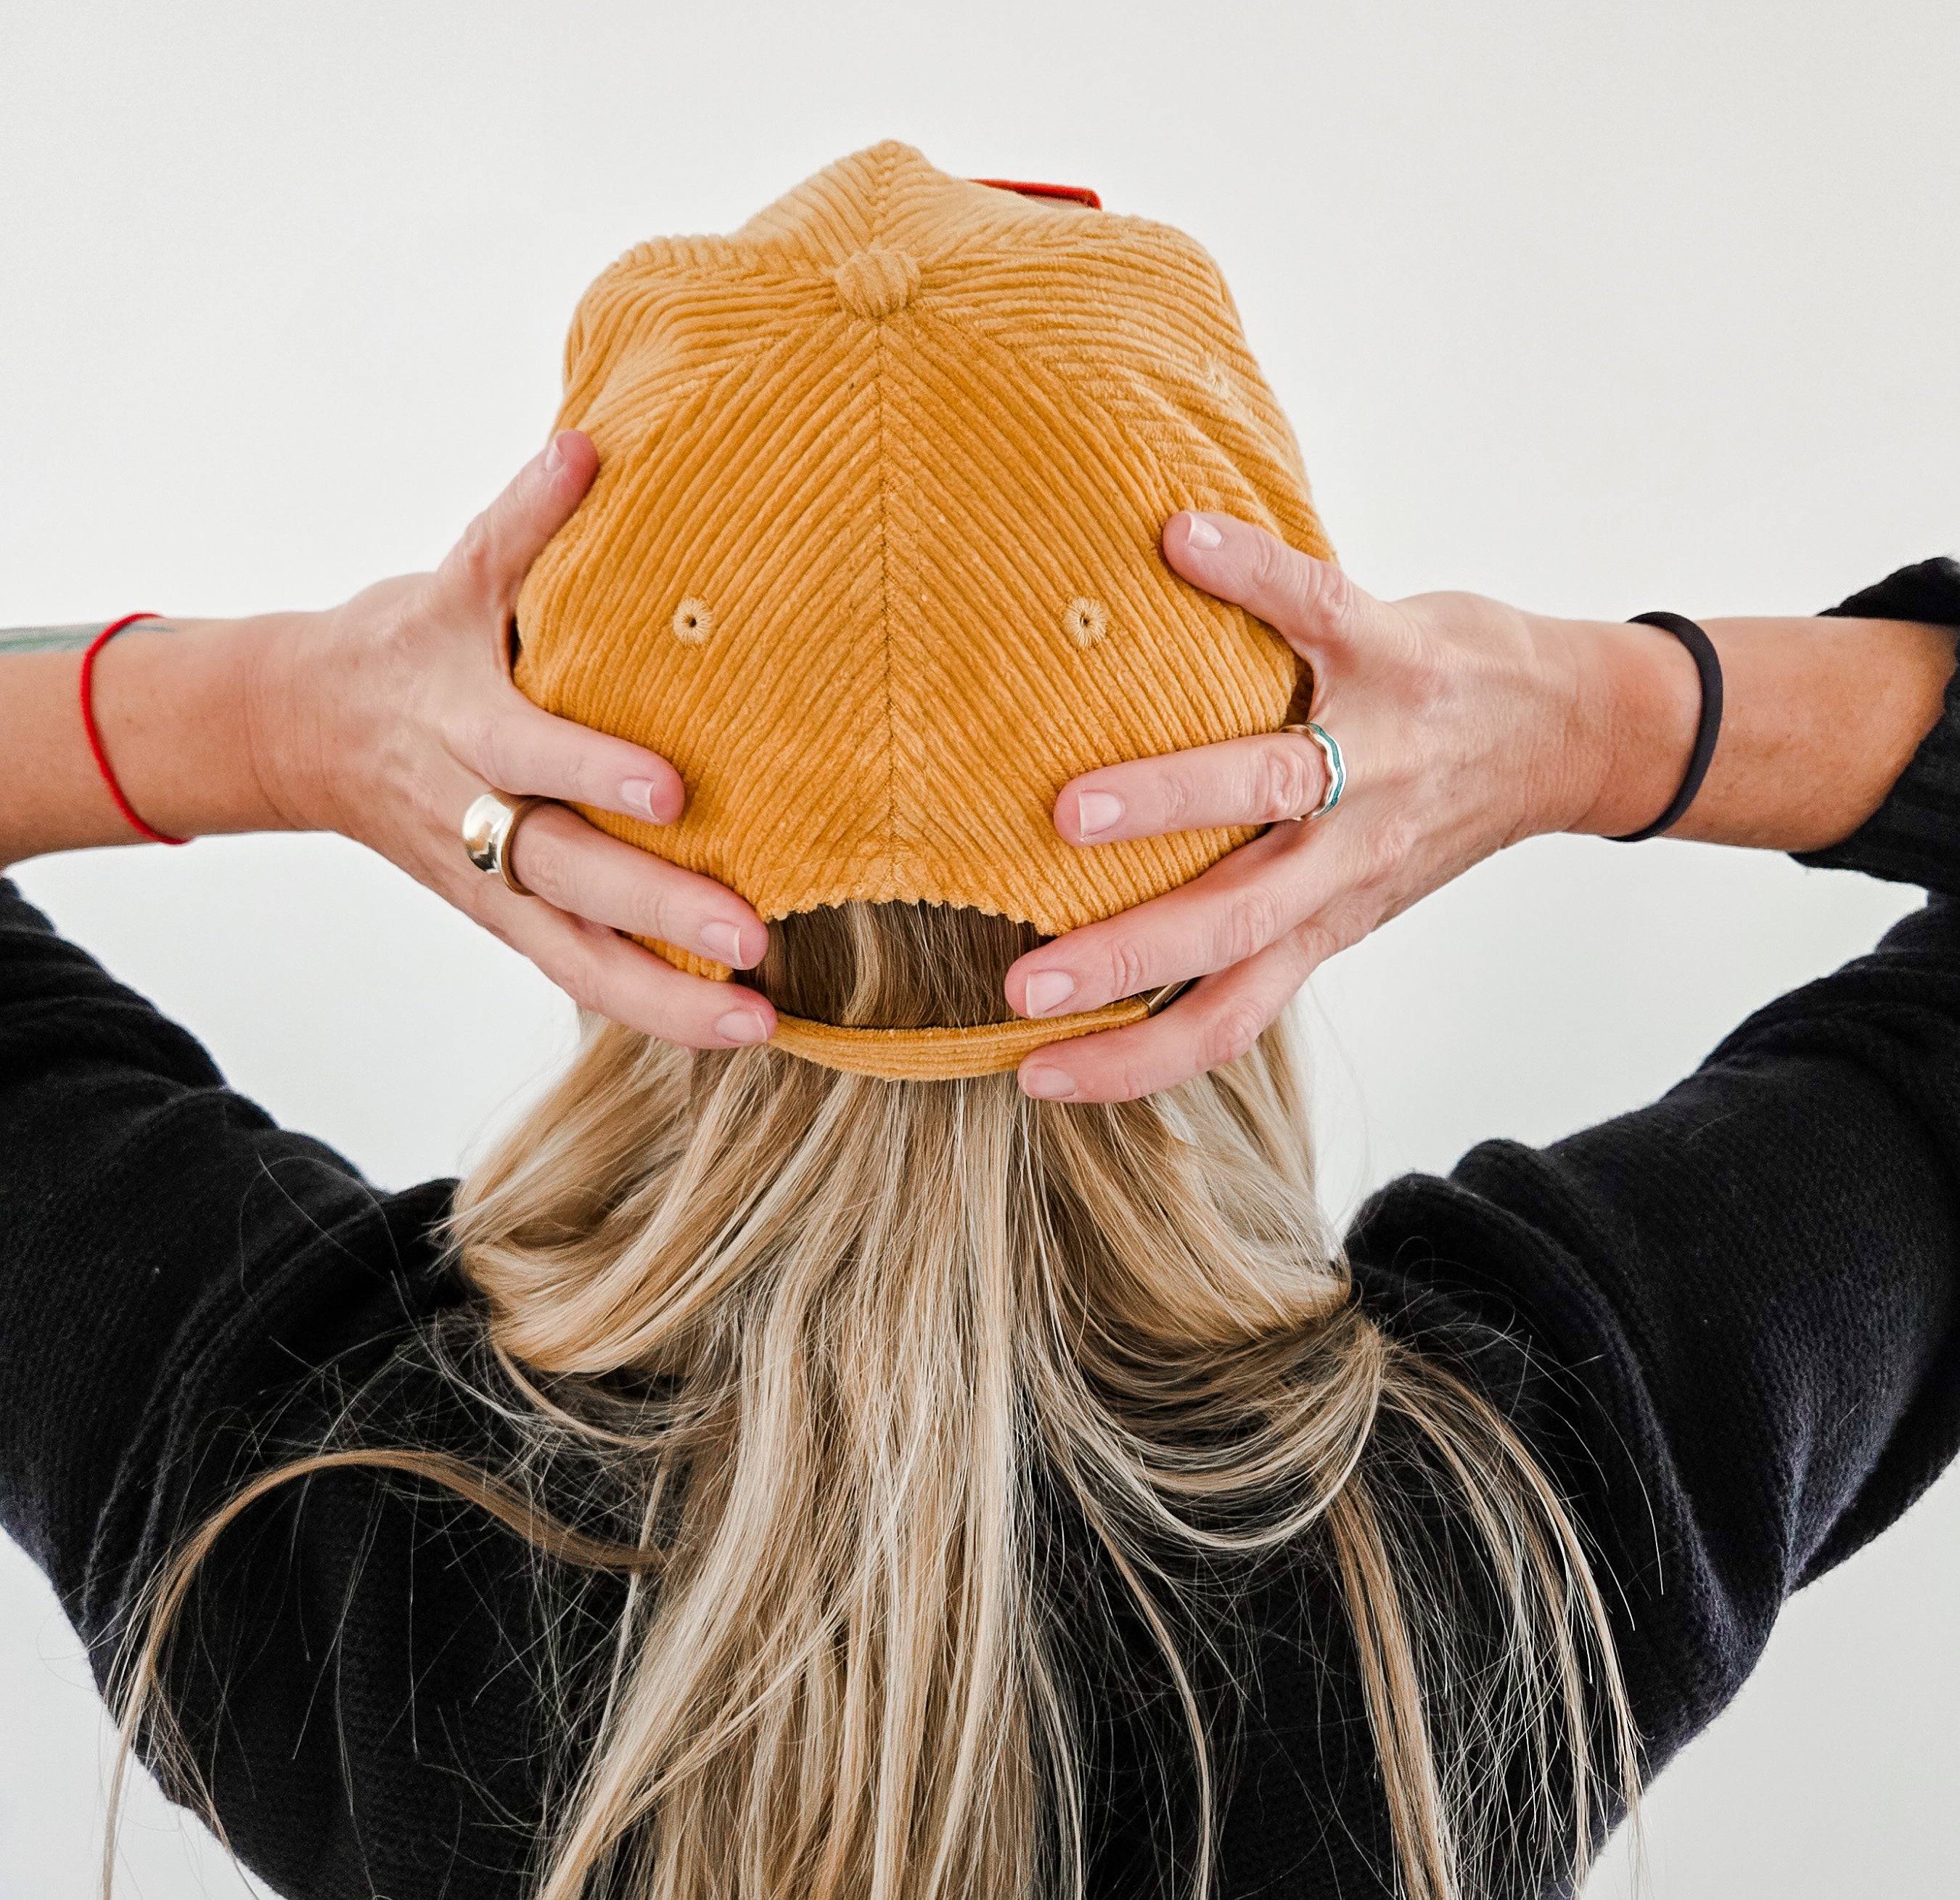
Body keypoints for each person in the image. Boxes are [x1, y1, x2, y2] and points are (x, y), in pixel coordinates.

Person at [3, 143, 1959, 1900]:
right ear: (1283, 841)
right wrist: (1592, 722)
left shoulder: (311, 1511)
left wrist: (269, 717)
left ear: (562, 847)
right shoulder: (1495, 1540)